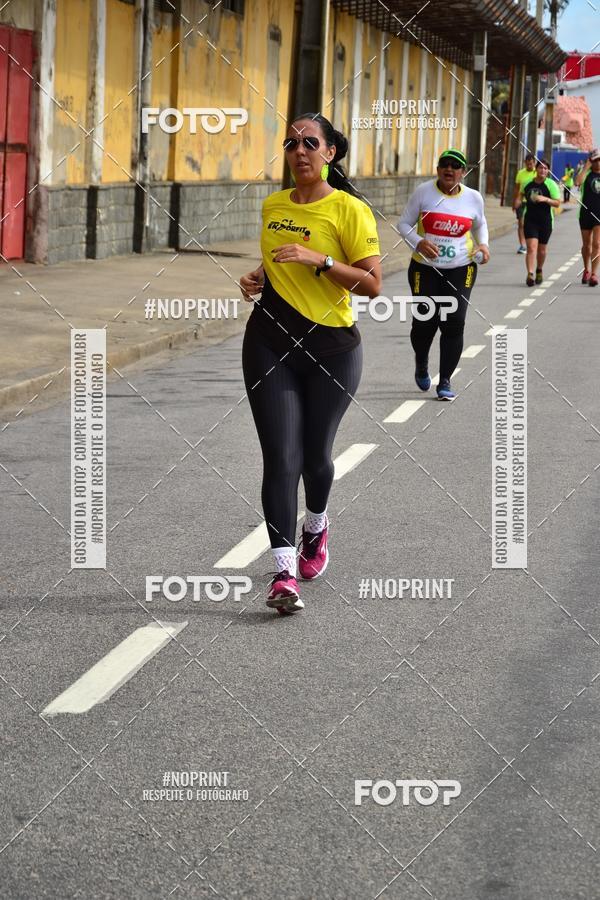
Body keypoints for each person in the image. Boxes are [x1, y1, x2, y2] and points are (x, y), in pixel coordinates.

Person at [239, 113, 381, 614]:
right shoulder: (273, 204)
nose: (299, 150)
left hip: (333, 349)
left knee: (316, 456)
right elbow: (279, 258)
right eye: (291, 143)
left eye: (310, 143)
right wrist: (258, 274)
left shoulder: (349, 210)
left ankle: (316, 528)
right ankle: (282, 574)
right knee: (281, 457)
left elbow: (371, 283)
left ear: (330, 153)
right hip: (269, 340)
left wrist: (317, 261)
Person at [397, 148, 489, 401]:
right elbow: (403, 224)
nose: (449, 169)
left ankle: (445, 380)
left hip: (462, 268)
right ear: (438, 170)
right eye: (444, 165)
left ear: (463, 172)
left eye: (455, 166)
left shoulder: (473, 198)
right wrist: (418, 241)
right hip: (424, 269)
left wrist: (484, 245)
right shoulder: (423, 192)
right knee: (425, 324)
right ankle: (422, 361)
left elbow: (480, 224)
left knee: (454, 321)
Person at [522, 159, 561, 287]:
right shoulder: (528, 183)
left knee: (542, 250)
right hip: (530, 220)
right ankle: (530, 274)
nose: (543, 170)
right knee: (531, 248)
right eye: (540, 168)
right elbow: (521, 195)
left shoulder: (551, 184)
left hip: (545, 221)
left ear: (548, 171)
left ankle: (539, 269)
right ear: (536, 169)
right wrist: (517, 202)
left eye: (545, 168)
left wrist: (546, 199)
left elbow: (557, 203)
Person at [574, 148, 600, 286]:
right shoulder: (587, 174)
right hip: (585, 213)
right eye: (595, 160)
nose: (598, 163)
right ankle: (586, 269)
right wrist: (586, 167)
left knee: (597, 244)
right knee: (586, 245)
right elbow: (577, 183)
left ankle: (595, 274)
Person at [513, 153, 536, 254]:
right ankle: (522, 245)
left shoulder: (537, 173)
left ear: (534, 163)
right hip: (522, 202)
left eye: (531, 164)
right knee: (521, 223)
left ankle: (532, 243)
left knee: (531, 224)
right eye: (527, 164)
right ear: (525, 163)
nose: (529, 166)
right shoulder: (520, 173)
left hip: (534, 203)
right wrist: (514, 201)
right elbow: (517, 189)